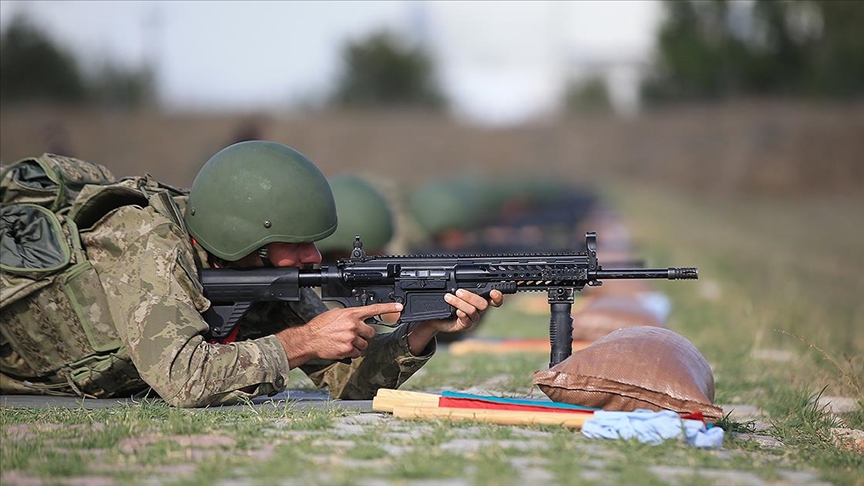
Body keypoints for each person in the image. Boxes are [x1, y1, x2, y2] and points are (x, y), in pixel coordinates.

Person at [0, 141, 503, 407]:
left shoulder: (261, 270)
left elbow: (348, 382)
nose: (312, 256)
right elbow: (184, 378)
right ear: (246, 239)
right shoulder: (145, 240)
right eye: (297, 242)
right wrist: (300, 343)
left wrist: (417, 334)